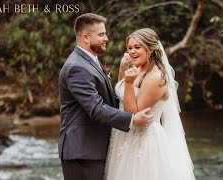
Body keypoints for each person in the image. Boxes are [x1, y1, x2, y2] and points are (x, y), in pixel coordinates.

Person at [58, 13, 153, 180]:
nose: (106, 38)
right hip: (83, 152)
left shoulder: (90, 61)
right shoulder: (76, 68)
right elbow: (96, 109)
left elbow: (109, 100)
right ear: (86, 37)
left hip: (92, 149)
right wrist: (133, 119)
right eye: (101, 34)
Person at [105, 28, 195, 180]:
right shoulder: (138, 69)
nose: (132, 51)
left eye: (137, 47)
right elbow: (121, 93)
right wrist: (123, 70)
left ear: (151, 49)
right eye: (129, 48)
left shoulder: (156, 78)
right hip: (124, 137)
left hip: (143, 141)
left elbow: (133, 112)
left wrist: (128, 82)